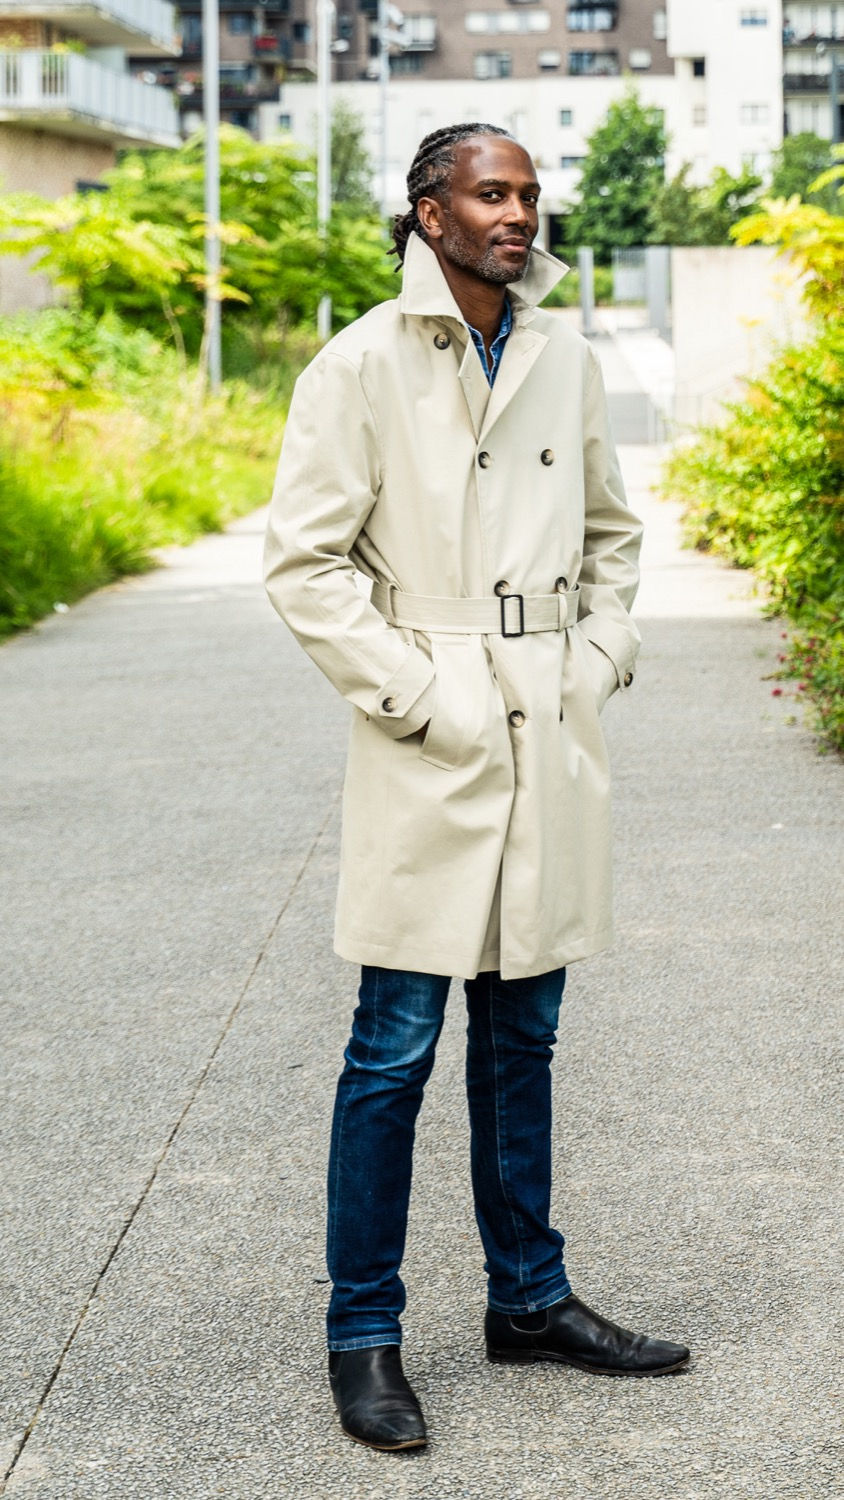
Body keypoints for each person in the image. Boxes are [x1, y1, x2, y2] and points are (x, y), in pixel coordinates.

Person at [264, 122, 689, 1453]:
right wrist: (415, 693)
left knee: (524, 1044)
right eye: (489, 193)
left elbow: (613, 534)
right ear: (430, 213)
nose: (517, 213)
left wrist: (599, 659)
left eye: (527, 194)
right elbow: (305, 564)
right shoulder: (359, 364)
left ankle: (530, 1300)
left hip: (547, 725)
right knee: (391, 1051)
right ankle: (363, 1336)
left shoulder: (566, 356)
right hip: (433, 733)